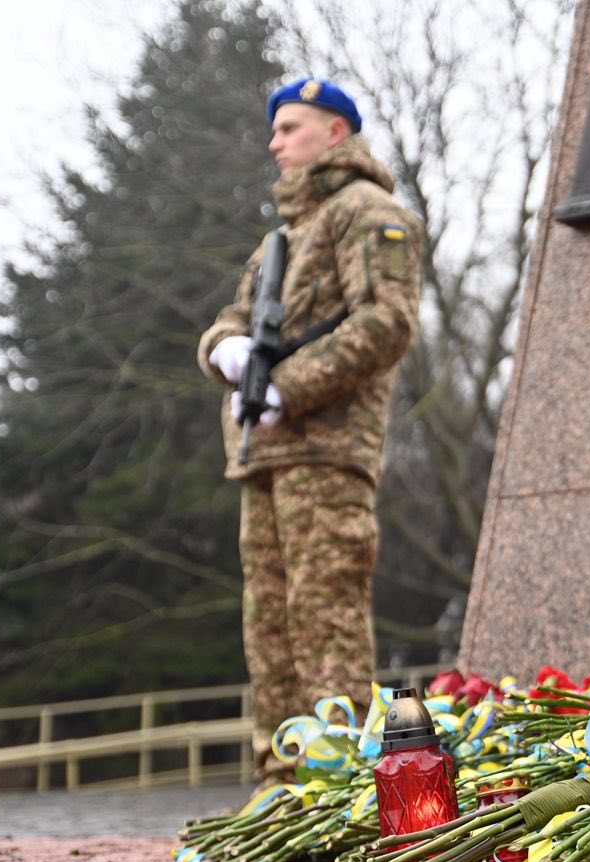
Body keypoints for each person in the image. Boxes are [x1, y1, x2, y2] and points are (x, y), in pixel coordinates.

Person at [196, 77, 422, 776]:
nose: (275, 142)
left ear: (335, 132)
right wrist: (223, 350)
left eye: (290, 127)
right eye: (276, 129)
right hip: (265, 451)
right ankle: (281, 777)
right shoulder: (284, 237)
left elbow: (387, 320)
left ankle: (337, 776)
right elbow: (233, 319)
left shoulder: (369, 212)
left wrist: (287, 389)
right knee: (270, 624)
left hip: (325, 446)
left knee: (325, 616)